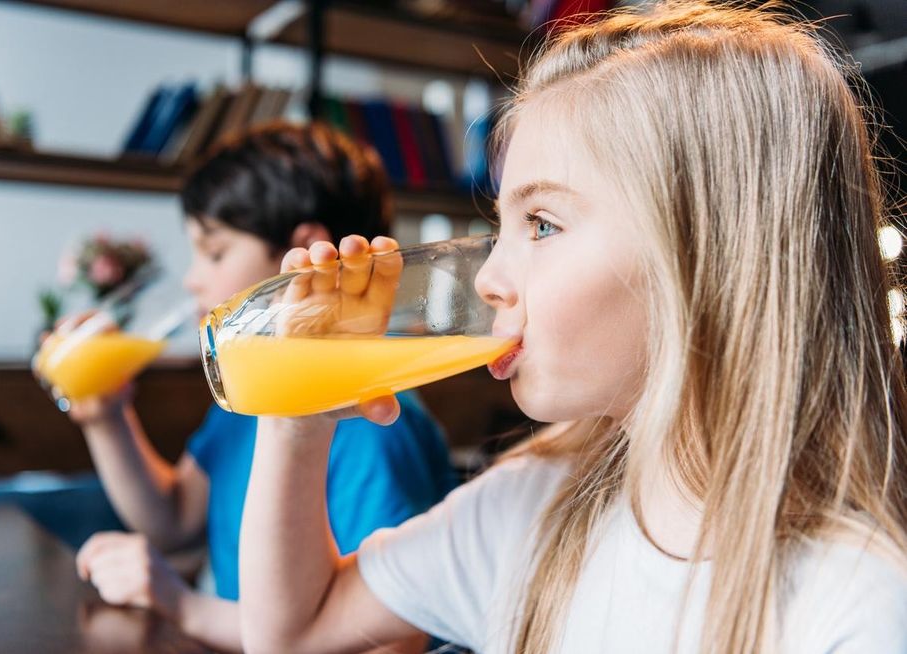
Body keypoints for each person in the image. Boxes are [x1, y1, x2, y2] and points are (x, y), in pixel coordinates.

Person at [235, 3, 907, 653]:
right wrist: (298, 420)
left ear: (708, 256)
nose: (487, 279)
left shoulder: (857, 604)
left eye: (543, 225)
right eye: (500, 227)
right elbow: (295, 632)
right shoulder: (528, 507)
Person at [67, 122, 456, 653]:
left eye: (216, 251)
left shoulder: (373, 420)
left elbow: (386, 643)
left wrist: (184, 606)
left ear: (303, 252)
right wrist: (106, 416)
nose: (191, 279)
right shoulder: (249, 387)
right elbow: (176, 517)